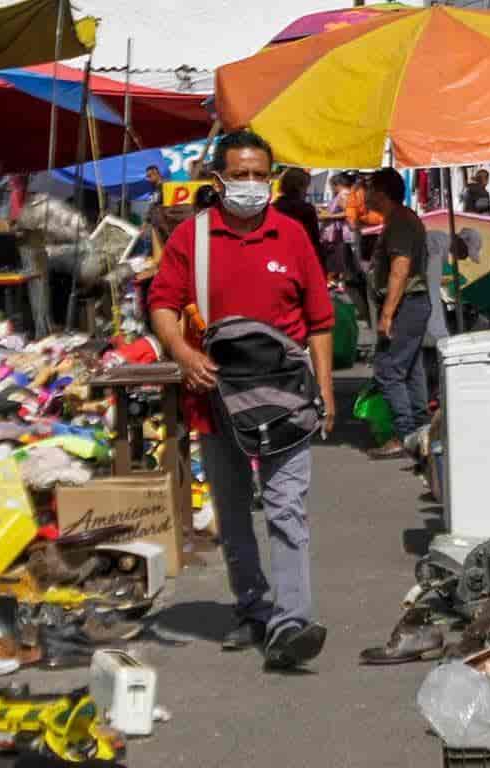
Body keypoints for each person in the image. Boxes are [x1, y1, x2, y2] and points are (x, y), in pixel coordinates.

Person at [147, 129, 334, 671]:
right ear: (219, 179)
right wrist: (182, 352)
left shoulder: (292, 236)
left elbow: (320, 321)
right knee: (232, 513)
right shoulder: (193, 238)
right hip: (215, 399)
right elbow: (161, 303)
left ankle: (292, 619)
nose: (252, 185)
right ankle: (252, 606)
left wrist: (324, 389)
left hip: (287, 400)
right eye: (241, 174)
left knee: (286, 508)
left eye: (260, 175)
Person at [366, 168, 432, 460]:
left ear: (381, 193)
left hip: (406, 304)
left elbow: (400, 269)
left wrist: (387, 314)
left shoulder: (401, 222)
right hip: (411, 303)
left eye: (369, 189)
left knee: (388, 368)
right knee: (410, 369)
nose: (364, 195)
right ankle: (420, 429)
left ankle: (404, 433)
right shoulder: (398, 220)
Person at [272, 168, 324, 267]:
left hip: (278, 258)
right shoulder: (306, 209)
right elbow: (313, 240)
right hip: (301, 259)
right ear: (301, 186)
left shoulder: (274, 207)